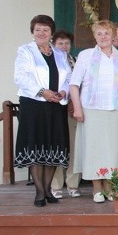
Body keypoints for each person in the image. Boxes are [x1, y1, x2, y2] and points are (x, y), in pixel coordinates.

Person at [70, 20, 118, 203]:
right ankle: (97, 187)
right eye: (99, 34)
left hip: (117, 109)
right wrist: (78, 109)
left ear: (113, 35)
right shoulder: (86, 55)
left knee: (113, 149)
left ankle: (110, 186)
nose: (103, 37)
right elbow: (74, 85)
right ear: (94, 36)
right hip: (92, 109)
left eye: (107, 33)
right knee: (95, 150)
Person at [14, 15, 71, 207]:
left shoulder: (60, 54)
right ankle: (39, 192)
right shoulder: (25, 51)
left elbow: (68, 78)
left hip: (55, 106)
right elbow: (20, 78)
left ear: (51, 33)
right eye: (38, 29)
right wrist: (42, 92)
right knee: (36, 147)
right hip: (34, 105)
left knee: (53, 147)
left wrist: (63, 91)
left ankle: (48, 189)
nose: (41, 33)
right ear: (33, 31)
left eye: (45, 30)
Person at [50, 30, 81, 198]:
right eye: (60, 43)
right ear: (53, 45)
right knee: (56, 145)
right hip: (54, 108)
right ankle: (55, 185)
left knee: (73, 146)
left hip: (71, 109)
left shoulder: (75, 61)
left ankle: (73, 184)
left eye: (67, 43)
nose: (64, 46)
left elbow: (80, 84)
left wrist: (74, 103)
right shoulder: (49, 62)